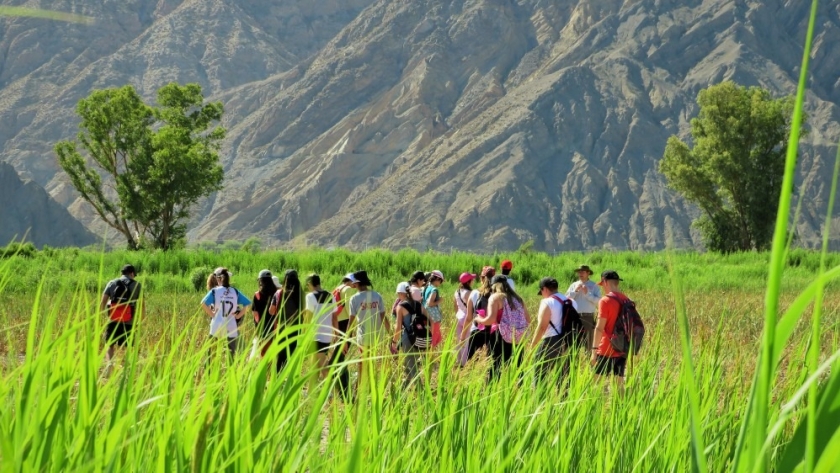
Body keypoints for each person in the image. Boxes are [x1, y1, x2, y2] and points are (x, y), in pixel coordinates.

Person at [474, 275, 530, 382]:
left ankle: (491, 392)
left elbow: (490, 320)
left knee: (494, 368)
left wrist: (479, 319)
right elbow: (528, 319)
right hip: (518, 338)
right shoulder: (518, 298)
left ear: (494, 285)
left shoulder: (495, 297)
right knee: (518, 368)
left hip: (500, 337)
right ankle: (519, 392)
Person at [346, 270, 390, 394]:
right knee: (371, 360)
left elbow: (351, 321)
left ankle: (360, 387)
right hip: (377, 335)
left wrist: (346, 337)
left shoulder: (354, 299)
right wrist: (391, 333)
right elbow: (383, 317)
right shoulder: (377, 295)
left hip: (363, 336)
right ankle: (370, 385)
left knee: (363, 361)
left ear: (357, 283)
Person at [531, 277, 578, 386]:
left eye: (541, 291)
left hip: (550, 341)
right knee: (564, 377)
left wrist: (533, 345)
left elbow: (542, 327)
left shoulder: (547, 302)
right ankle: (564, 401)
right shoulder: (572, 301)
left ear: (545, 289)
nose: (542, 294)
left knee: (540, 376)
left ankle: (539, 401)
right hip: (569, 342)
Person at [592, 270, 629, 396]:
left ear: (605, 282)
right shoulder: (626, 299)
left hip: (606, 348)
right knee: (619, 385)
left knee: (596, 384)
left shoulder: (605, 300)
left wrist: (593, 351)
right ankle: (621, 411)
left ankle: (597, 411)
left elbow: (599, 328)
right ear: (618, 283)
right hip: (622, 347)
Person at [201, 268, 251, 361]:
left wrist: (213, 315)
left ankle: (209, 372)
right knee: (231, 355)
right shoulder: (235, 291)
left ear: (218, 279)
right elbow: (248, 304)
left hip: (217, 325)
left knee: (210, 354)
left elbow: (203, 303)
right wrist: (238, 316)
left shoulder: (215, 291)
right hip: (231, 325)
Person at [100, 264, 143, 367]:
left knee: (109, 344)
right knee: (128, 345)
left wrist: (104, 317)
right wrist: (141, 320)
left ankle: (109, 364)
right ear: (132, 273)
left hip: (113, 318)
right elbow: (142, 305)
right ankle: (126, 368)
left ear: (122, 273)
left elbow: (103, 302)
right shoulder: (137, 285)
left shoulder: (111, 283)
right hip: (129, 319)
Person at [391, 282, 431, 388]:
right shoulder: (418, 304)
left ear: (401, 293)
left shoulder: (400, 306)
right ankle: (405, 386)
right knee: (409, 363)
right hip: (419, 339)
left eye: (398, 294)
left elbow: (398, 328)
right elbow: (430, 319)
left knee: (412, 366)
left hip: (407, 339)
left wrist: (394, 342)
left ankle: (420, 390)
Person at [304, 274, 338, 382]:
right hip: (327, 335)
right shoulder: (330, 296)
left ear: (309, 284)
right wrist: (336, 334)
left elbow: (308, 318)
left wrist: (304, 335)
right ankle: (311, 392)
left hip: (315, 336)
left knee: (322, 365)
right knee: (315, 365)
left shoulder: (310, 296)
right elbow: (334, 318)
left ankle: (334, 391)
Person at [269, 270, 304, 373]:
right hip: (297, 329)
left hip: (282, 329)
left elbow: (271, 311)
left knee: (281, 356)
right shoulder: (302, 293)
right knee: (292, 355)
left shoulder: (279, 293)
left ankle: (278, 379)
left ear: (285, 279)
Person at [460, 266, 495, 363]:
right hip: (493, 333)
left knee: (471, 364)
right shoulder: (497, 295)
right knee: (490, 364)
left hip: (476, 331)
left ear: (481, 278)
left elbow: (469, 318)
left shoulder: (474, 293)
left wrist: (463, 336)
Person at [332, 273, 358, 394]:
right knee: (341, 354)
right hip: (345, 324)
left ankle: (337, 380)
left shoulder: (338, 288)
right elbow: (349, 308)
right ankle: (342, 386)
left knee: (339, 352)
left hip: (337, 322)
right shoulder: (347, 289)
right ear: (351, 281)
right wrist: (353, 325)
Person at [566, 265, 600, 352]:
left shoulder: (594, 286)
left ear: (588, 273)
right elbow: (566, 300)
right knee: (573, 343)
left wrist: (587, 294)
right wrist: (575, 291)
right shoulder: (573, 285)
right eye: (579, 272)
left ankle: (589, 362)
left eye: (583, 271)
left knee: (589, 343)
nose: (580, 273)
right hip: (574, 317)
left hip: (588, 317)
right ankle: (573, 363)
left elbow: (598, 301)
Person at [251, 269, 280, 360]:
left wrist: (257, 328)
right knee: (275, 353)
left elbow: (255, 315)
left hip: (262, 328)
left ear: (260, 280)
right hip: (276, 327)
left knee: (263, 354)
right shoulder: (277, 293)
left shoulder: (257, 295)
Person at [453, 272, 476, 366]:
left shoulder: (457, 291)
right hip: (468, 318)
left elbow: (455, 306)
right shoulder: (469, 293)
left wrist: (458, 314)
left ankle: (458, 361)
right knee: (467, 342)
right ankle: (465, 363)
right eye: (472, 279)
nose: (473, 280)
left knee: (459, 340)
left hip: (459, 316)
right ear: (468, 282)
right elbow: (473, 307)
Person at [423, 270, 445, 348]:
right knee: (435, 338)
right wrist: (439, 300)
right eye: (441, 281)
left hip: (427, 315)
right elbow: (430, 303)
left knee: (433, 337)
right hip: (434, 318)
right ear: (437, 279)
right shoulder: (434, 290)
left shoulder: (427, 287)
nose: (440, 284)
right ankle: (430, 357)